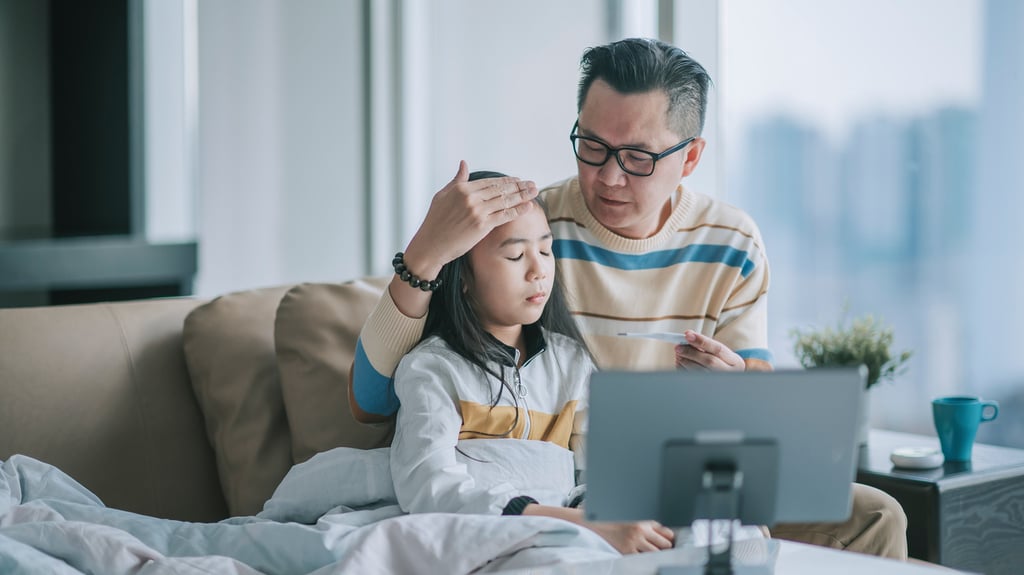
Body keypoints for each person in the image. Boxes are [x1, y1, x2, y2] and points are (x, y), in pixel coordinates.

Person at [350, 38, 907, 559]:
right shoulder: (536, 231)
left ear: (690, 158)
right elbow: (372, 402)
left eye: (638, 157)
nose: (609, 177)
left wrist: (734, 387)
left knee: (877, 513)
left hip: (690, 479)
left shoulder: (733, 244)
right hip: (575, 489)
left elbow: (755, 423)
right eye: (592, 146)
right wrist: (422, 256)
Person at [390, 171, 675, 554]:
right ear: (463, 279)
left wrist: (601, 516)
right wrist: (580, 522)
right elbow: (427, 483)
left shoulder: (572, 363)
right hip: (479, 537)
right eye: (515, 255)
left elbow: (598, 473)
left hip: (577, 536)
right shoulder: (433, 369)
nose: (538, 270)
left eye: (545, 250)